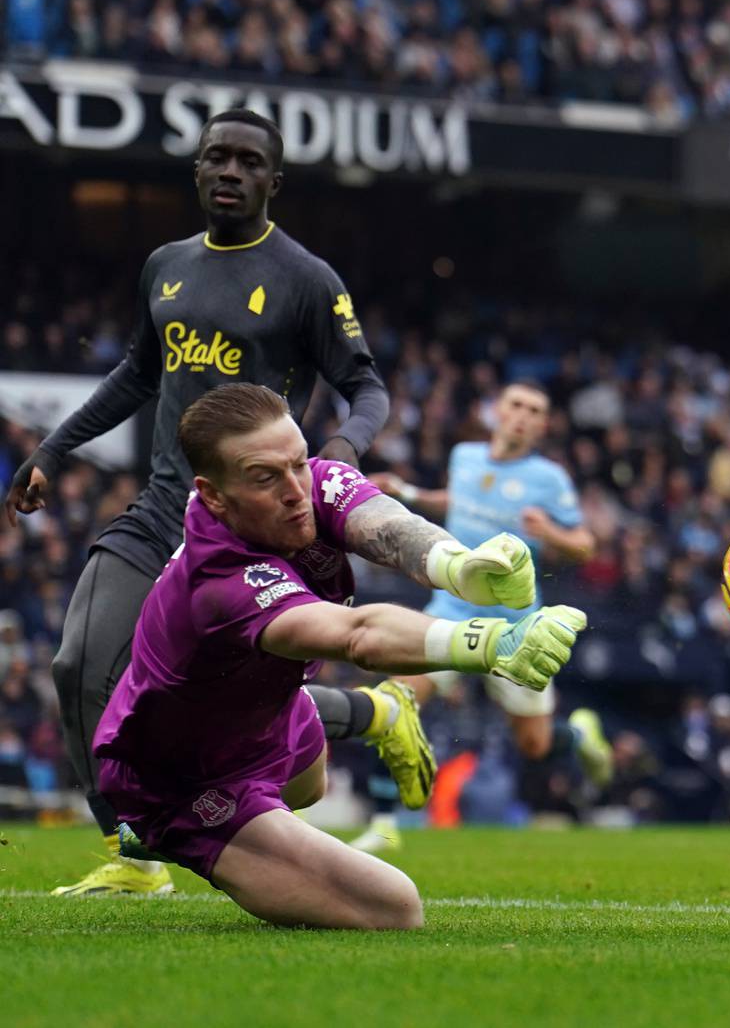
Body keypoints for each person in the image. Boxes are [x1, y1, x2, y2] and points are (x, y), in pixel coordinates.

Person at [2, 109, 431, 897]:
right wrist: (55, 448)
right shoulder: (165, 264)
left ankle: (376, 714)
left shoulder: (306, 278)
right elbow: (138, 372)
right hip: (166, 508)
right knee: (77, 665)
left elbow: (366, 384)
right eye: (216, 158)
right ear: (197, 171)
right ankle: (133, 855)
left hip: (253, 528)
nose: (230, 171)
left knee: (229, 707)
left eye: (247, 161)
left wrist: (343, 446)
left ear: (274, 180)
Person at [95, 383, 583, 928]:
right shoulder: (221, 579)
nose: (296, 491)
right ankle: (160, 830)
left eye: (299, 463)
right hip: (187, 775)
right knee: (394, 908)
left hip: (270, 712)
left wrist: (458, 567)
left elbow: (385, 526)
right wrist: (488, 644)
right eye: (265, 478)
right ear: (213, 495)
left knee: (311, 785)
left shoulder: (305, 483)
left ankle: (377, 717)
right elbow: (356, 635)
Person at [351, 380, 607, 854]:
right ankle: (384, 825)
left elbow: (586, 544)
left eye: (534, 409)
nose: (523, 415)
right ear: (496, 411)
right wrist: (407, 491)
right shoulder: (465, 457)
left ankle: (577, 734)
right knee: (393, 703)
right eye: (516, 405)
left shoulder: (547, 478)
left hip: (515, 626)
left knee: (534, 745)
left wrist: (550, 531)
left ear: (542, 425)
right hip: (450, 611)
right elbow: (460, 501)